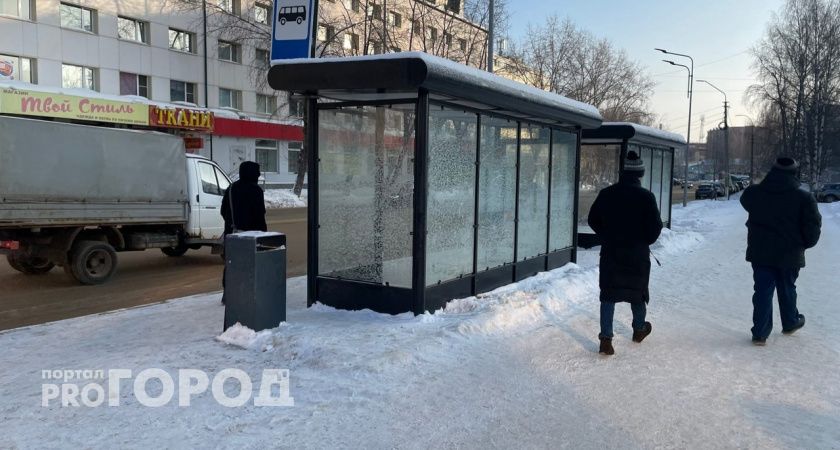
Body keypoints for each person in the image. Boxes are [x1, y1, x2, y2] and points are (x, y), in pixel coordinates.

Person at [739, 157, 821, 345]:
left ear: (772, 171)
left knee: (762, 291)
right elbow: (813, 228)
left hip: (761, 252)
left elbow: (745, 199)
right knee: (787, 287)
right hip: (790, 253)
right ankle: (790, 322)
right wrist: (804, 243)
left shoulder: (756, 193)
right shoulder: (804, 198)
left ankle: (760, 333)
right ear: (794, 173)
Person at [588, 151, 663, 355]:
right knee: (637, 292)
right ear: (640, 173)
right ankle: (639, 329)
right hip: (637, 254)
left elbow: (592, 219)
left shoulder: (607, 194)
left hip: (612, 252)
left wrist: (607, 234)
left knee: (609, 294)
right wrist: (643, 240)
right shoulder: (647, 197)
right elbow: (656, 227)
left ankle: (606, 339)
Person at [220, 161, 268, 305]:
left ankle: (228, 294)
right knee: (251, 267)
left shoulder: (231, 188)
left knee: (232, 265)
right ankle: (247, 295)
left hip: (232, 235)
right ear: (252, 173)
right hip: (251, 236)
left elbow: (223, 211)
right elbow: (260, 215)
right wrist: (263, 234)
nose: (259, 175)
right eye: (257, 172)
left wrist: (232, 224)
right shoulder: (256, 191)